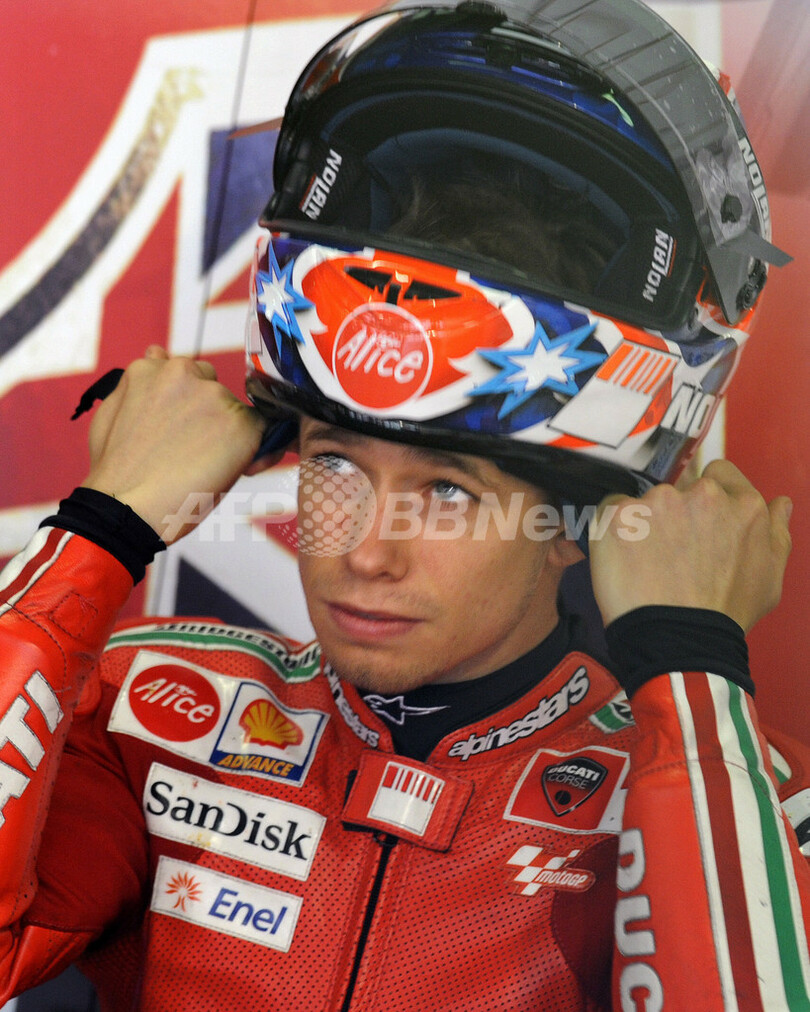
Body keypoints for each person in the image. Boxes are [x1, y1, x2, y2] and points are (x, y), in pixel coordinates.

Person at [1, 1, 808, 1009]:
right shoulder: (153, 712)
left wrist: (690, 674)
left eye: (447, 491)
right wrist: (98, 532)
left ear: (583, 525)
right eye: (336, 466)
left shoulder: (741, 790)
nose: (363, 553)